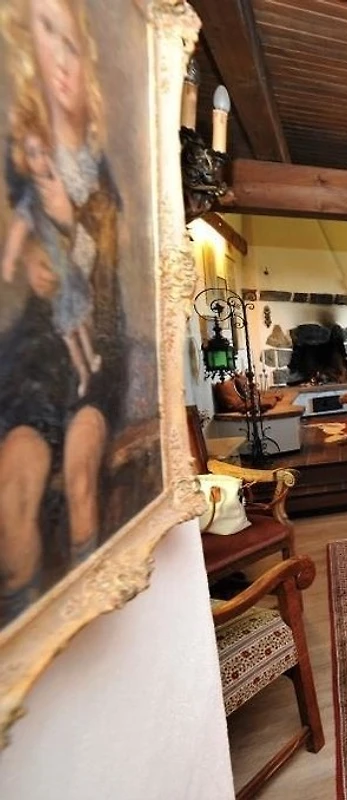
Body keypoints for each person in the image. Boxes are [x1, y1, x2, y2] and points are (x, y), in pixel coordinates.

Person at [0, 0, 126, 624]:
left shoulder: (101, 170)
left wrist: (68, 223)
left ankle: (93, 627)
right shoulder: (20, 152)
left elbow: (108, 260)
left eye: (69, 40)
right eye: (43, 33)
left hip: (98, 334)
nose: (58, 58)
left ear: (85, 54)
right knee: (11, 485)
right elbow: (19, 231)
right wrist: (26, 259)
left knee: (80, 468)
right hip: (38, 337)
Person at [2, 93, 102, 397]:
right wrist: (9, 258)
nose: (40, 160)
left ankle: (91, 359)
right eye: (32, 154)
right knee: (68, 330)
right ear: (24, 159)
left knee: (81, 320)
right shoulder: (32, 197)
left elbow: (90, 210)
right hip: (56, 273)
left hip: (68, 267)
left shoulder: (65, 183)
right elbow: (20, 226)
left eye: (44, 152)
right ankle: (82, 372)